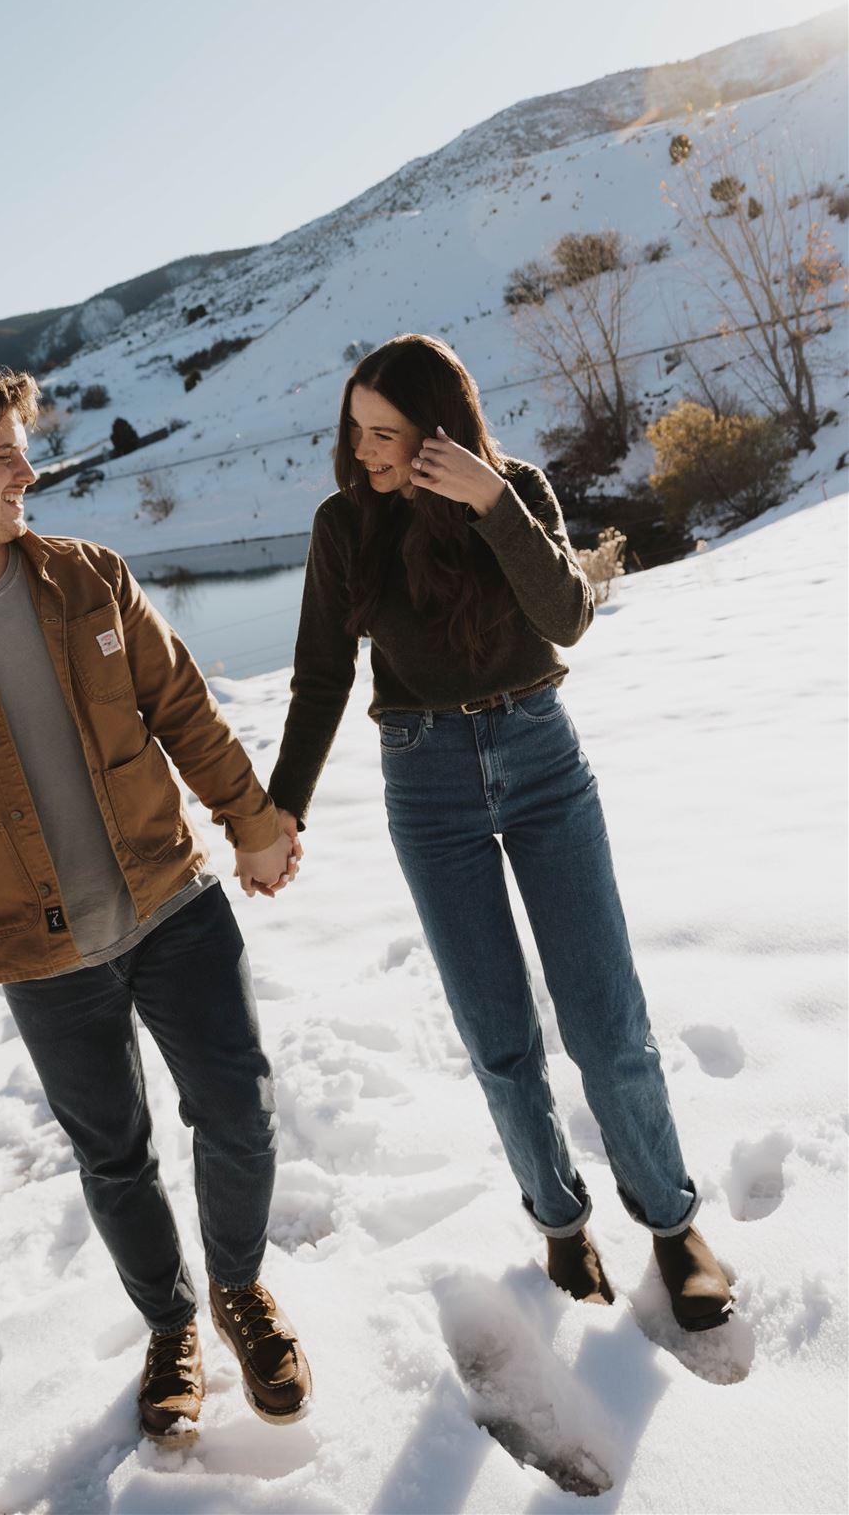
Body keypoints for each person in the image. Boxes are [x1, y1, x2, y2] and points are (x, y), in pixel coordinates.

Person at [0, 367, 311, 1441]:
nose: (29, 470)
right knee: (115, 1155)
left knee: (238, 1108)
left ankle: (239, 1291)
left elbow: (183, 707)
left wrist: (251, 816)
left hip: (172, 898)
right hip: (36, 953)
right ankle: (171, 1323)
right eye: (5, 454)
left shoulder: (91, 578)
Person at [267, 334, 734, 1332]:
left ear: (438, 431)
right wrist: (283, 806)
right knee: (499, 1037)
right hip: (426, 783)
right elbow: (319, 676)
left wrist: (491, 504)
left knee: (609, 1026)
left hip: (541, 765)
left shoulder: (512, 486)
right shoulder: (342, 523)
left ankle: (672, 1221)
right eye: (355, 430)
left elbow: (567, 615)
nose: (364, 451)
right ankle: (561, 1221)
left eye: (385, 433)